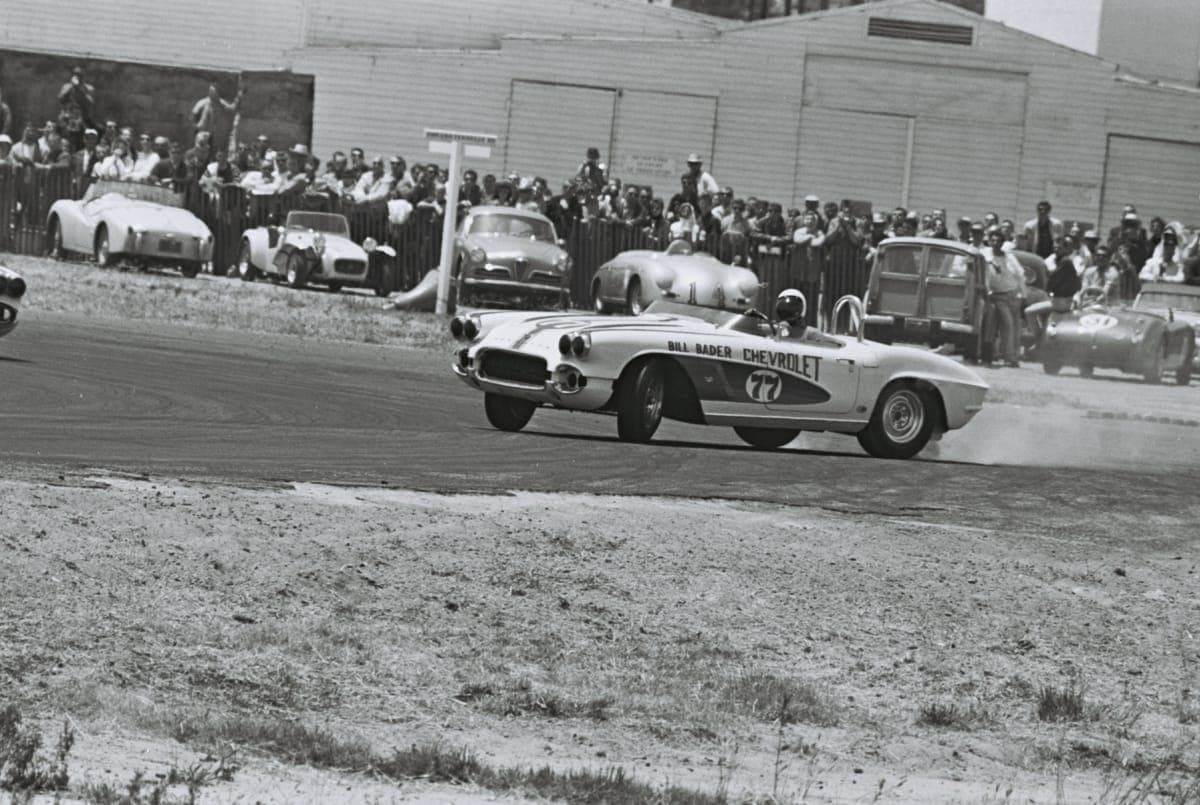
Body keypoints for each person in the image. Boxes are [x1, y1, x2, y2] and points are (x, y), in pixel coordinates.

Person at [1026, 236, 1082, 349]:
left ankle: (1038, 342)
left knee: (1029, 311)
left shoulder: (1065, 262)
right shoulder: (1063, 262)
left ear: (1066, 249)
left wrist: (1047, 274)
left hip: (1060, 303)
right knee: (1038, 312)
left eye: (1059, 248)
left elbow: (1051, 281)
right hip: (1059, 300)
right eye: (1055, 248)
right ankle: (1040, 340)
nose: (1056, 250)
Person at [980, 226, 1026, 367]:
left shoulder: (1009, 257)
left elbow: (1020, 275)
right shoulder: (984, 255)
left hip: (1010, 294)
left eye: (998, 241)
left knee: (1010, 327)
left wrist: (1023, 295)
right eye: (992, 240)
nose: (995, 243)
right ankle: (989, 356)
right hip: (993, 296)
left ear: (1002, 242)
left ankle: (1011, 358)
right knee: (992, 326)